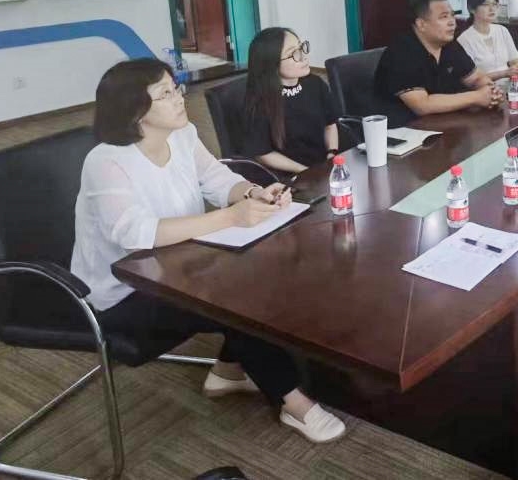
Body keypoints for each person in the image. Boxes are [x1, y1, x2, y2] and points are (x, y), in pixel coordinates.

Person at [70, 59, 346, 442]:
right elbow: (135, 233)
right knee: (237, 300)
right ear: (135, 110)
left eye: (176, 88)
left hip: (181, 261)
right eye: (165, 94)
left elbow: (216, 178)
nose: (179, 98)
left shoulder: (182, 135)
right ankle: (292, 401)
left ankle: (229, 370)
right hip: (125, 290)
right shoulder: (106, 161)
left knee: (273, 266)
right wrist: (229, 217)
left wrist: (251, 193)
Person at [374, 0, 502, 122]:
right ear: (421, 24)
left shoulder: (449, 45)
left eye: (452, 15)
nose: (452, 22)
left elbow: (476, 78)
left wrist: (490, 90)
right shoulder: (402, 52)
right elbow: (422, 105)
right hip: (402, 127)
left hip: (444, 121)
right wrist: (477, 97)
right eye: (444, 17)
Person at [243, 28, 338, 174]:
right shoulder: (261, 101)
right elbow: (263, 154)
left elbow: (330, 125)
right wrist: (306, 171)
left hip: (323, 167)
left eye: (301, 47)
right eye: (293, 53)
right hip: (288, 175)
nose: (303, 56)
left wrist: (332, 154)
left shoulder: (315, 83)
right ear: (272, 63)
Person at [456, 0, 518, 81]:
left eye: (494, 4)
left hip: (510, 84)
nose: (492, 9)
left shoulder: (502, 31)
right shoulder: (464, 40)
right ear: (472, 9)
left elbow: (515, 62)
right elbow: (470, 79)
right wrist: (504, 73)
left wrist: (516, 75)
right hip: (483, 87)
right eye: (486, 4)